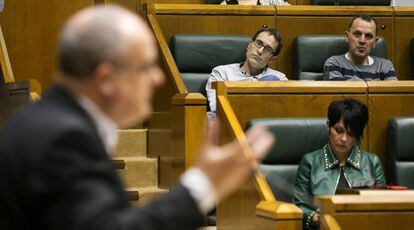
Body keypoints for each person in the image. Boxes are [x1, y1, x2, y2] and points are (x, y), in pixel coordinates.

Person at [0, 5, 275, 230]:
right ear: (107, 79)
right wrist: (200, 186)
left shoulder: (57, 121)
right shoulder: (64, 139)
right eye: (145, 67)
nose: (157, 78)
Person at [292, 98, 386, 229]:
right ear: (328, 126)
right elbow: (298, 206)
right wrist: (314, 217)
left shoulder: (372, 162)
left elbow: (384, 206)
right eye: (339, 130)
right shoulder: (310, 162)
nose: (344, 139)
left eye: (351, 133)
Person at [206, 27, 287, 114]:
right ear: (249, 45)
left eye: (268, 49)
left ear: (272, 59)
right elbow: (217, 109)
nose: (260, 51)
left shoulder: (280, 79)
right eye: (258, 43)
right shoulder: (221, 73)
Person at [324, 15, 398, 81]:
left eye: (368, 36)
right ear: (347, 37)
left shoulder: (385, 66)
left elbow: (393, 95)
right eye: (357, 34)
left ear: (375, 42)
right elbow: (336, 94)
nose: (362, 41)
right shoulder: (334, 63)